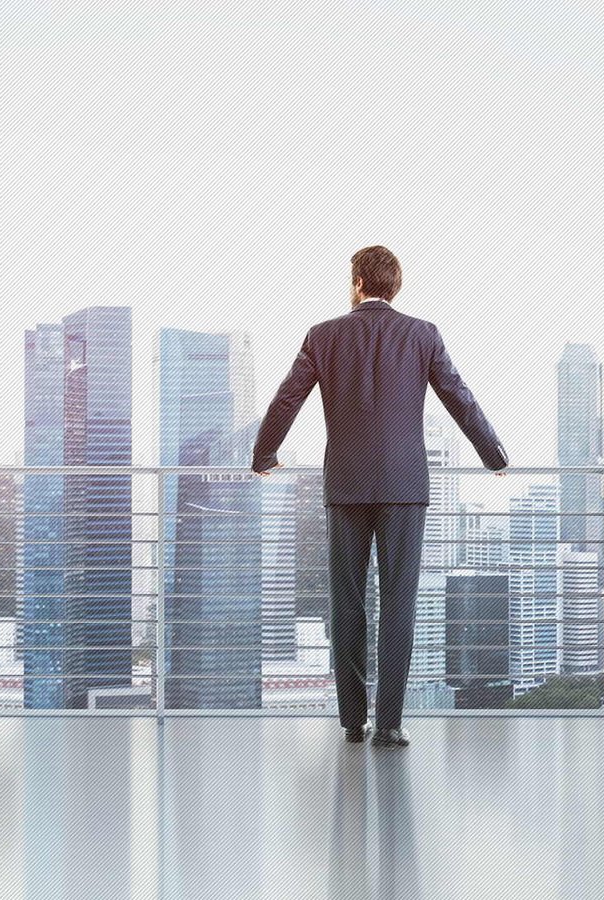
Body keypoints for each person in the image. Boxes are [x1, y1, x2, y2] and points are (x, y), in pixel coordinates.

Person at [251, 245, 507, 748]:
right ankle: (388, 723)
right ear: (396, 285)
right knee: (398, 604)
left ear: (356, 283)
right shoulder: (422, 334)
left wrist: (264, 454)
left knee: (346, 602)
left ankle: (351, 720)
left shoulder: (323, 336)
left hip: (346, 484)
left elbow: (287, 397)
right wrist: (492, 454)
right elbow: (459, 395)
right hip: (404, 487)